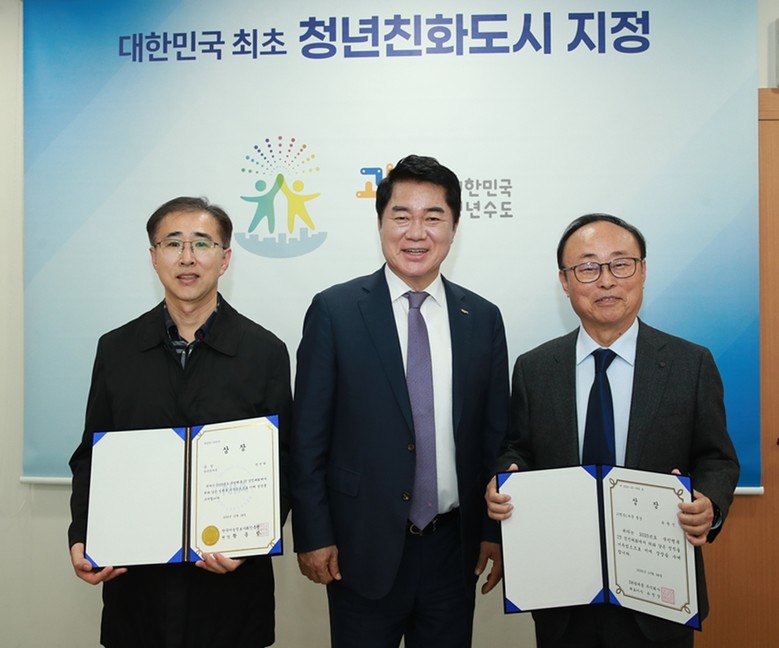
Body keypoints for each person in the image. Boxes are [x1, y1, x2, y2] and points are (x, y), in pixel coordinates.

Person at [486, 213, 740, 648]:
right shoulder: (534, 368)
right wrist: (506, 478)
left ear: (642, 271)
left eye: (621, 264)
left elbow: (716, 458)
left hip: (658, 593)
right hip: (562, 592)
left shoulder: (690, 364)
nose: (606, 280)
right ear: (565, 282)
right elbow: (519, 449)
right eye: (587, 267)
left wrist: (709, 503)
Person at [291, 154, 509, 648]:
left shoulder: (482, 318)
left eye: (433, 217)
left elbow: (496, 436)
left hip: (453, 551)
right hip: (359, 547)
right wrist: (314, 533)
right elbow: (308, 438)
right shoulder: (335, 312)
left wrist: (492, 533)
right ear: (380, 222)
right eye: (401, 216)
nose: (416, 232)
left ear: (454, 227)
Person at [68, 196, 292, 648]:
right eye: (173, 244)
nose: (187, 258)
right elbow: (93, 455)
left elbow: (284, 460)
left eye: (202, 244)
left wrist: (250, 545)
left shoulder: (264, 351)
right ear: (154, 257)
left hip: (230, 588)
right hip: (138, 586)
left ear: (224, 258)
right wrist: (82, 536)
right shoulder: (117, 350)